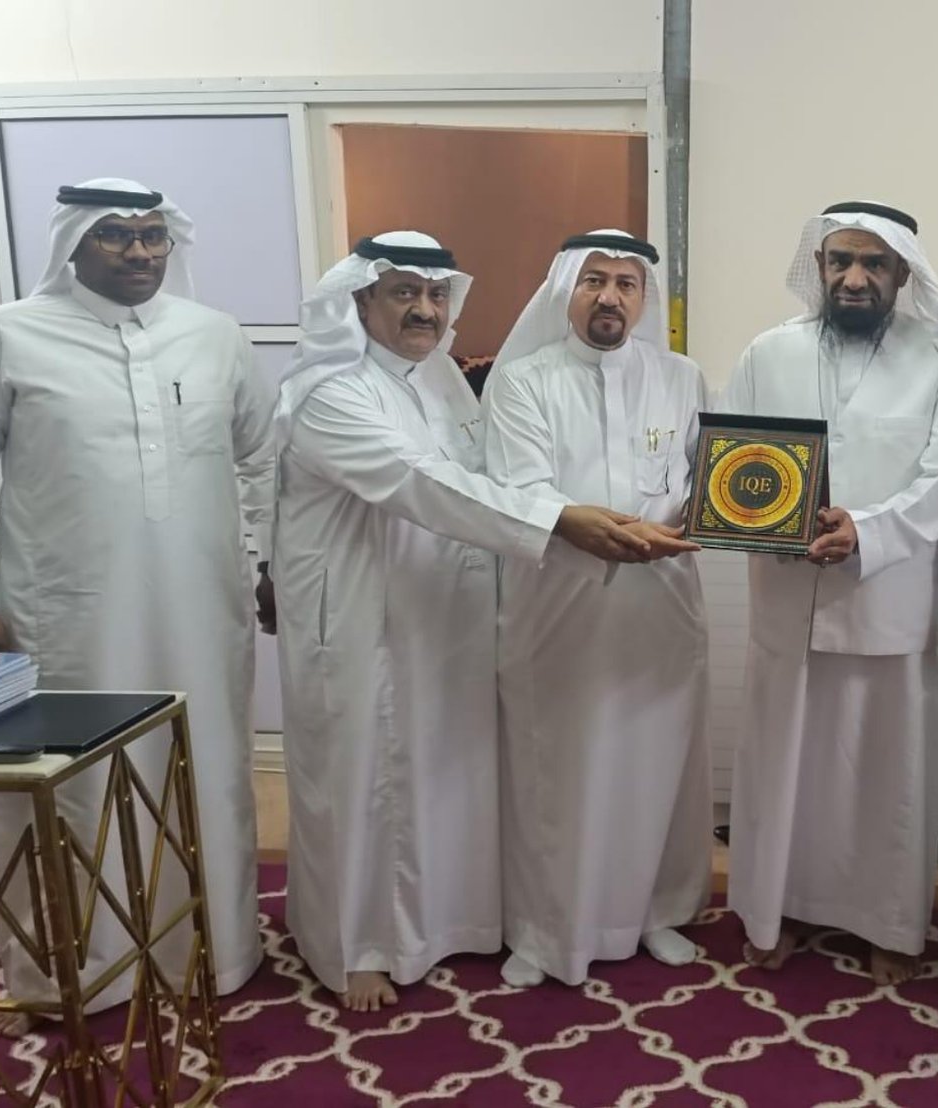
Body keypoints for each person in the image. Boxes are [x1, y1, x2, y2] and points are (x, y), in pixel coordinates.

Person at [273, 231, 651, 1010]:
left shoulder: (444, 379)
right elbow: (423, 483)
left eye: (436, 295)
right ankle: (357, 946)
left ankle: (448, 924)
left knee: (444, 770)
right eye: (404, 293)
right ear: (361, 300)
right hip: (359, 619)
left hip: (444, 613)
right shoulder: (331, 391)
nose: (425, 309)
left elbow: (488, 476)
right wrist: (559, 520)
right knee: (361, 782)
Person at [0, 179, 275, 1032]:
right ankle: (70, 972)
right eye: (116, 236)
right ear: (74, 243)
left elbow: (263, 458)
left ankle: (215, 950)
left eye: (153, 236)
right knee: (71, 785)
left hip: (201, 607)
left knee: (204, 769)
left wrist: (265, 559)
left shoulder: (214, 335)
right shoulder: (8, 332)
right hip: (64, 613)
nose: (140, 252)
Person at [722, 201, 938, 986]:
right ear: (820, 268)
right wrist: (749, 516)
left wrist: (865, 530)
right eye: (841, 262)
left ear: (903, 273)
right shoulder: (769, 352)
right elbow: (736, 459)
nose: (855, 278)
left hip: (887, 595)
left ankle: (888, 923)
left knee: (884, 772)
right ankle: (776, 910)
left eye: (874, 263)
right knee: (784, 764)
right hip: (787, 595)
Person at [482, 230, 709, 987]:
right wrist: (612, 533)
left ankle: (653, 912)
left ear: (644, 299)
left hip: (660, 608)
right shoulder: (523, 380)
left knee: (654, 764)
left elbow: (701, 479)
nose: (610, 297)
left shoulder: (682, 377)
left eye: (626, 284)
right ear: (566, 292)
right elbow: (522, 488)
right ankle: (543, 930)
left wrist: (707, 517)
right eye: (594, 281)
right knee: (556, 770)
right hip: (557, 609)